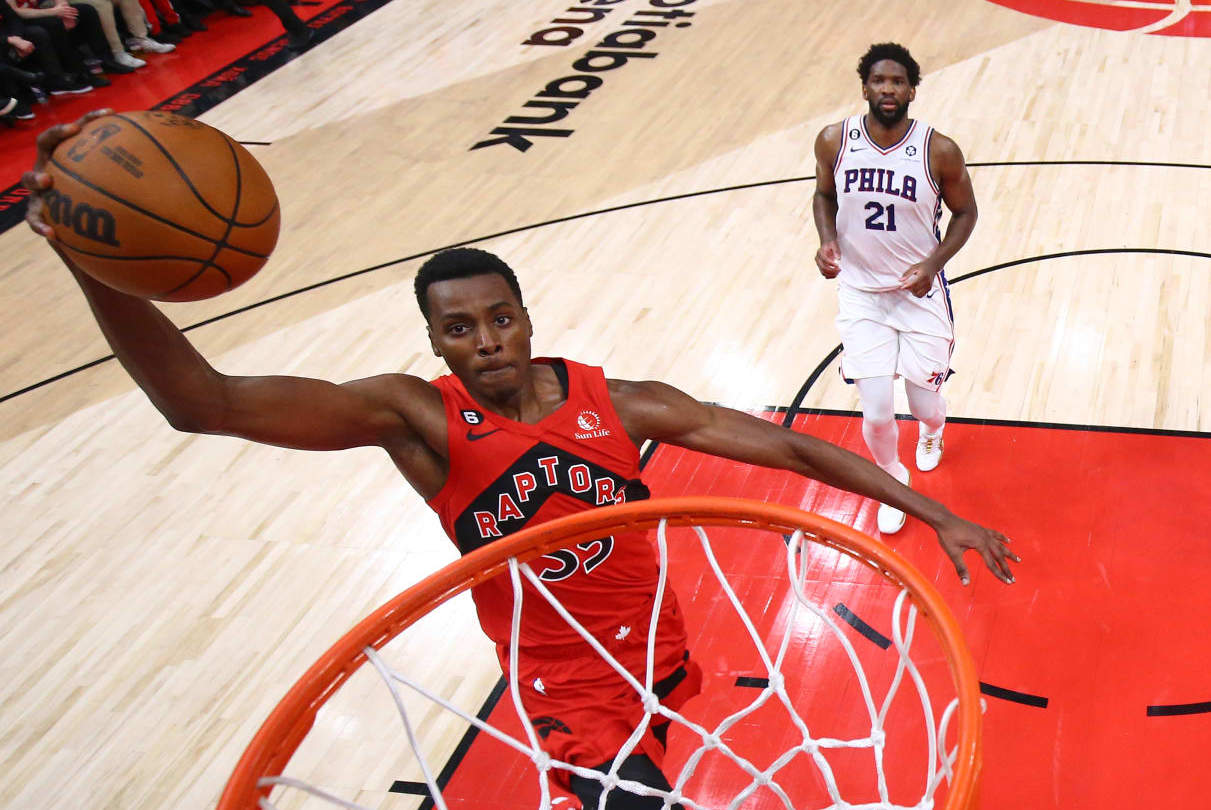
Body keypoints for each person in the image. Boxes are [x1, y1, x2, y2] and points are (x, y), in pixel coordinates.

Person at [24, 112, 1017, 810]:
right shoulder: (415, 420)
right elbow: (206, 404)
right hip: (562, 689)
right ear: (437, 346)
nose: (487, 338)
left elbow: (796, 446)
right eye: (461, 328)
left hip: (659, 654)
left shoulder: (620, 407)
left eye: (501, 316)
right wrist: (84, 252)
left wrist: (930, 511)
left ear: (526, 317)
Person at [812, 42, 978, 536]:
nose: (888, 89)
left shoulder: (938, 149)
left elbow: (966, 213)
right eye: (879, 81)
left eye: (898, 82)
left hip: (919, 294)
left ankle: (932, 432)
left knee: (924, 401)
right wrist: (825, 241)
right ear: (865, 87)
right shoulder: (833, 140)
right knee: (878, 408)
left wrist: (933, 261)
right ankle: (891, 478)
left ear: (912, 89)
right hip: (861, 294)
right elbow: (822, 194)